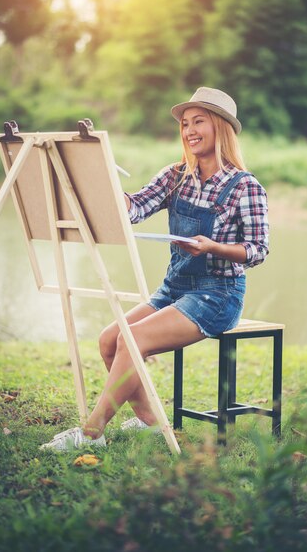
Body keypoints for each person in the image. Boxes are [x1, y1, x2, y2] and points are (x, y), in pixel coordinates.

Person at [40, 87, 269, 451]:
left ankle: (91, 433)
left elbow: (258, 251)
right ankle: (149, 422)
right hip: (175, 289)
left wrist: (212, 247)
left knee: (134, 340)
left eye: (199, 122)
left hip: (217, 295)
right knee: (109, 340)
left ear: (221, 128)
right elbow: (134, 209)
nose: (189, 130)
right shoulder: (175, 175)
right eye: (184, 123)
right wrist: (103, 183)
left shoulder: (246, 187)